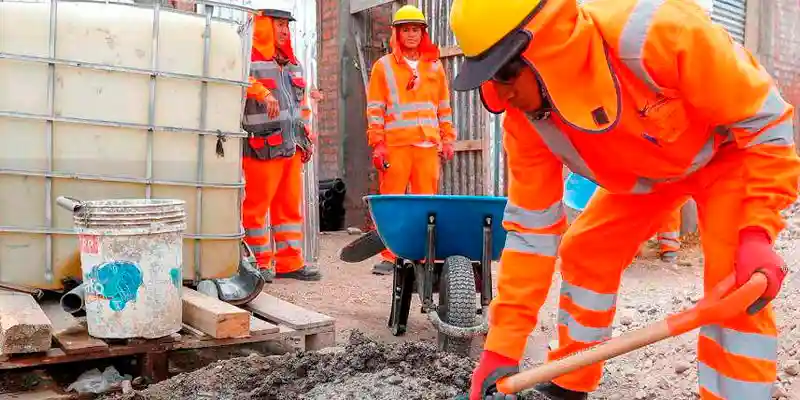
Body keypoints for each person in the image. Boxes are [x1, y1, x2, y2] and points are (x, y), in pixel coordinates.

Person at [448, 0, 798, 399]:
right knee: (586, 251)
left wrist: (756, 231)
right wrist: (501, 348)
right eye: (489, 78)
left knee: (735, 283)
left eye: (505, 73)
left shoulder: (657, 34)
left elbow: (766, 123)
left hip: (728, 155)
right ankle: (571, 380)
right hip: (651, 177)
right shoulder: (529, 123)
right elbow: (531, 232)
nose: (502, 94)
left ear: (547, 50)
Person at [366, 5, 457, 275]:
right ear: (396, 33)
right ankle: (389, 254)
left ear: (423, 33)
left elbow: (443, 106)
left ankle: (421, 252)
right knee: (392, 200)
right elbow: (375, 108)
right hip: (395, 145)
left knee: (427, 202)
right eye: (405, 29)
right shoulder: (383, 67)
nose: (411, 34)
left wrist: (448, 138)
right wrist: (378, 143)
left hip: (428, 145)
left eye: (415, 29)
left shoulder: (434, 66)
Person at [241, 1, 322, 282]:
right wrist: (262, 93)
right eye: (279, 25)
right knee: (255, 209)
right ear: (264, 26)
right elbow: (236, 81)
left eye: (287, 25)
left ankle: (290, 263)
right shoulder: (246, 58)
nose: (285, 31)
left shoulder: (292, 63)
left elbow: (303, 107)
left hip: (291, 148)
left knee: (288, 208)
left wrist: (307, 137)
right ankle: (260, 264)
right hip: (261, 149)